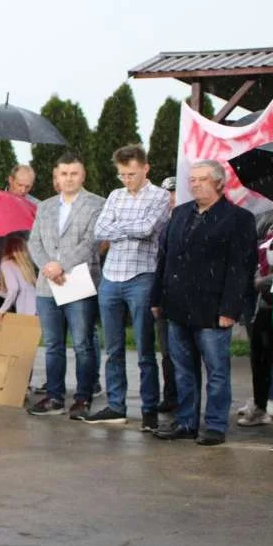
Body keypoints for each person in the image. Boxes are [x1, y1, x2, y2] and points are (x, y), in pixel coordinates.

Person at [152, 160, 256, 446]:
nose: (194, 184)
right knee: (183, 370)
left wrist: (229, 310)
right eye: (192, 179)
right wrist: (157, 298)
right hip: (176, 307)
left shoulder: (238, 219)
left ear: (219, 184)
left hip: (213, 311)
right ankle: (185, 422)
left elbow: (240, 269)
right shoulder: (181, 213)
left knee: (217, 371)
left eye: (201, 179)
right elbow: (166, 258)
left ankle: (215, 425)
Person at [86, 145, 171, 431]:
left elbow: (148, 229)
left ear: (146, 168)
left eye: (131, 174)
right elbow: (100, 231)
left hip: (142, 277)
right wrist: (128, 228)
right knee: (113, 348)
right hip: (111, 278)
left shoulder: (160, 196)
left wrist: (120, 227)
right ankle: (116, 406)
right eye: (122, 175)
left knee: (146, 350)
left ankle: (149, 410)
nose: (126, 179)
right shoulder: (114, 195)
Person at [27, 152, 105, 419]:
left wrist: (61, 265)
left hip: (79, 282)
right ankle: (55, 397)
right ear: (56, 176)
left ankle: (83, 397)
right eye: (64, 173)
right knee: (53, 345)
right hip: (47, 285)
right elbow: (33, 242)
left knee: (83, 343)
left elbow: (91, 242)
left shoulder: (97, 204)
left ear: (82, 175)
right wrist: (48, 267)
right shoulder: (45, 206)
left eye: (74, 173)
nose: (69, 178)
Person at [240, 215, 273, 427]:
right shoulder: (267, 220)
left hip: (267, 290)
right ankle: (260, 405)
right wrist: (259, 279)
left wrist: (265, 281)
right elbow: (259, 254)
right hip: (266, 303)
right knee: (260, 355)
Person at [155, 176, 179, 413]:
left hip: (182, 294)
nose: (170, 198)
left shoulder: (189, 218)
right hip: (161, 291)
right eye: (167, 193)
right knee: (166, 351)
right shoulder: (158, 221)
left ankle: (184, 399)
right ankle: (170, 396)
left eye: (174, 192)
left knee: (182, 353)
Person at [0, 236, 37, 316]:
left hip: (27, 311)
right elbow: (15, 291)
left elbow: (14, 289)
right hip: (36, 308)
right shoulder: (25, 265)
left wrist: (1, 311)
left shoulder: (6, 264)